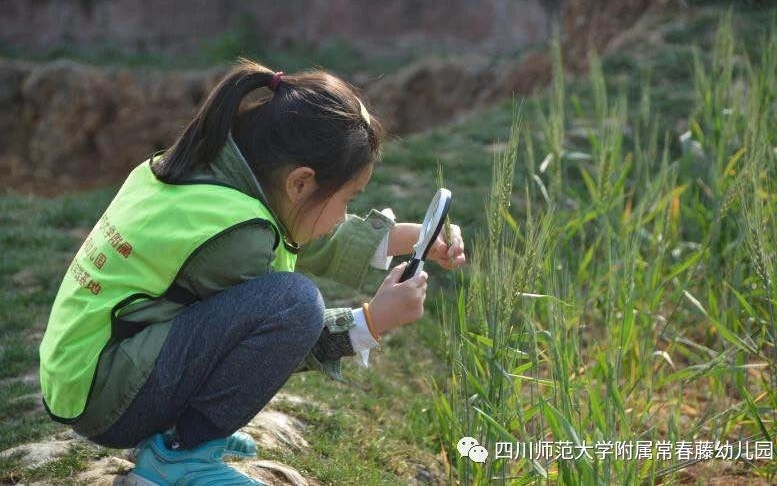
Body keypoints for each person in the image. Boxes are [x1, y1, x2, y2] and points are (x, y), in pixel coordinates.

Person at [38, 59, 466, 485]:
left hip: (87, 375)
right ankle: (181, 457)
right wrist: (372, 321)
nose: (344, 214)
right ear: (300, 182)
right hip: (112, 398)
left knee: (284, 298)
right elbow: (274, 341)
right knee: (295, 303)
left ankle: (185, 435)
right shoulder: (241, 237)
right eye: (347, 200)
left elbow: (301, 230)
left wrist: (408, 238)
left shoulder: (209, 176)